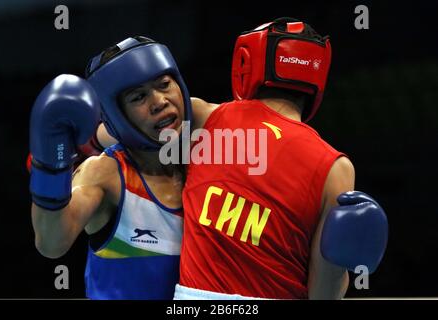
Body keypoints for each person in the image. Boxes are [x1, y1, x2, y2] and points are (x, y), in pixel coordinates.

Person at [173, 17, 388, 299]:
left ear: (246, 62)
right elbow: (322, 295)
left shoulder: (204, 118)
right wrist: (341, 263)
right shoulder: (336, 168)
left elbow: (116, 135)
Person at [29, 36, 193, 299]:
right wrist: (50, 168)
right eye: (139, 97)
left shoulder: (206, 153)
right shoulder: (105, 174)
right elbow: (51, 244)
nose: (160, 101)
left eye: (164, 85)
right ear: (117, 114)